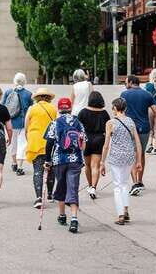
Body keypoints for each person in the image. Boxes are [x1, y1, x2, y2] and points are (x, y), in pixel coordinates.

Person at [120, 75, 156, 196]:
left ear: (131, 82)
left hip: (129, 128)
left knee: (131, 155)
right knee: (141, 155)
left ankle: (135, 183)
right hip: (144, 129)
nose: (125, 85)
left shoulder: (124, 95)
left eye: (126, 82)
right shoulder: (147, 95)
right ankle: (140, 181)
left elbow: (120, 112)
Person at [44, 97, 86, 234]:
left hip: (59, 160)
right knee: (73, 188)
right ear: (70, 108)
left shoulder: (54, 123)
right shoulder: (78, 122)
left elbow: (49, 143)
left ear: (59, 108)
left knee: (61, 185)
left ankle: (62, 215)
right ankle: (74, 218)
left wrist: (47, 160)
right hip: (75, 160)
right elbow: (83, 141)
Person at [100, 98, 143, 225]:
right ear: (125, 109)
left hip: (116, 157)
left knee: (117, 186)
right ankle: (126, 210)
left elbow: (106, 145)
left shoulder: (110, 123)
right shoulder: (130, 121)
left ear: (114, 108)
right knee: (124, 184)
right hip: (129, 157)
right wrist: (139, 160)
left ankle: (120, 215)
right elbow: (138, 143)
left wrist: (102, 162)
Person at [24, 87, 57, 209]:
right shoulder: (53, 109)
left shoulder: (32, 109)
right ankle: (49, 194)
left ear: (37, 97)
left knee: (38, 170)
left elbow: (26, 126)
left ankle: (38, 197)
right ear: (48, 97)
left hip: (35, 141)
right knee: (50, 169)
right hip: (50, 142)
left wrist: (29, 139)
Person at [77, 91, 111, 200]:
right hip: (99, 140)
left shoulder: (83, 112)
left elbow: (78, 128)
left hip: (86, 140)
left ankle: (90, 185)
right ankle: (93, 187)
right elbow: (109, 128)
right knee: (95, 166)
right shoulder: (104, 113)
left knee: (87, 165)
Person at [2, 73, 33, 176]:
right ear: (24, 81)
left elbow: (3, 106)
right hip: (23, 123)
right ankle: (20, 167)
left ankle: (14, 163)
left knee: (13, 143)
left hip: (10, 122)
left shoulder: (8, 92)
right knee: (22, 144)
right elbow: (32, 109)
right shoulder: (28, 94)